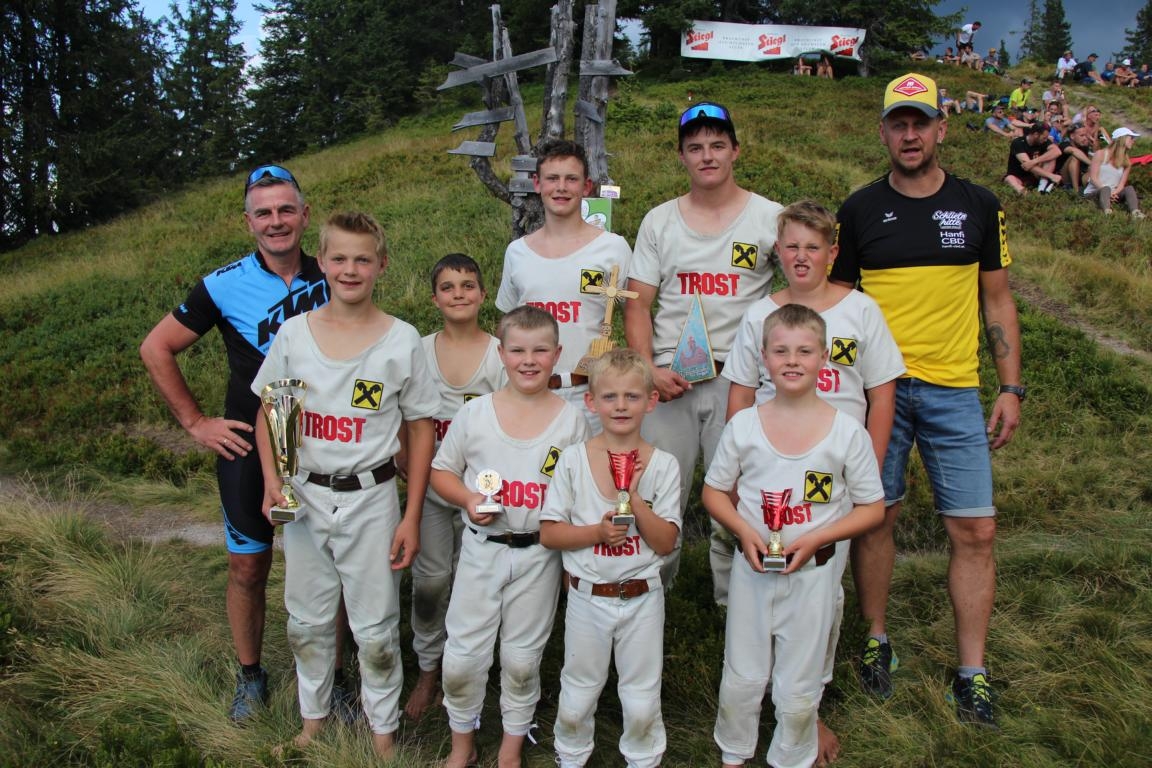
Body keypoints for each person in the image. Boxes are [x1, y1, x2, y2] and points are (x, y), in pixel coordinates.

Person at [831, 72, 1023, 728]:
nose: (909, 134)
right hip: (875, 394)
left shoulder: (978, 204)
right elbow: (836, 306)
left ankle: (974, 674)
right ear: (883, 131)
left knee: (976, 529)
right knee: (875, 518)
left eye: (920, 122)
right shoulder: (858, 211)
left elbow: (996, 298)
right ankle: (876, 640)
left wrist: (1012, 386)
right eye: (897, 123)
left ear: (941, 128)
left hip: (954, 390)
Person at [140, 165, 339, 722]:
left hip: (328, 439)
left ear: (304, 214)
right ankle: (251, 674)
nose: (276, 222)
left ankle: (335, 675)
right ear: (248, 222)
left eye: (285, 210)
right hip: (250, 442)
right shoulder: (222, 284)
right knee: (249, 568)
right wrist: (195, 423)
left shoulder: (335, 269)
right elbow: (156, 348)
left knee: (334, 563)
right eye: (264, 213)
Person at [723, 201, 905, 765]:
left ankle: (806, 708)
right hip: (766, 477)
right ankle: (756, 697)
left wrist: (867, 471)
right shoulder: (760, 316)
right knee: (761, 586)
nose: (801, 257)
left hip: (835, 475)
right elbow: (740, 395)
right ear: (778, 253)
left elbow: (881, 394)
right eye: (791, 246)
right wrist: (732, 481)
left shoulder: (861, 312)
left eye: (812, 246)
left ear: (832, 252)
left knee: (822, 593)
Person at [252, 211, 438, 757]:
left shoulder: (402, 340)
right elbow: (271, 412)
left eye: (363, 259)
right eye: (339, 258)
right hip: (306, 496)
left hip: (373, 499)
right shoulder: (294, 333)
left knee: (376, 628)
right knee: (307, 621)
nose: (350, 269)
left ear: (381, 264)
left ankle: (383, 733)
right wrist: (272, 482)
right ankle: (314, 720)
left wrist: (411, 513)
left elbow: (420, 429)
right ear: (322, 262)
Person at [704, 304, 885, 768]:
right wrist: (743, 530)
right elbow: (714, 491)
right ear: (763, 357)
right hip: (752, 571)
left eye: (804, 351)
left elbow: (872, 508)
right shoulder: (744, 425)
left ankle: (792, 756)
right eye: (780, 350)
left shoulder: (847, 433)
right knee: (742, 675)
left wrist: (818, 537)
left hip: (814, 574)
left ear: (824, 358)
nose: (792, 360)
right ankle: (734, 754)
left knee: (799, 683)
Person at [624, 101, 782, 603]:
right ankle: (650, 594)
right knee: (657, 492)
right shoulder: (659, 221)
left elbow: (803, 283)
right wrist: (648, 369)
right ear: (681, 156)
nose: (707, 155)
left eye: (717, 145)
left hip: (742, 383)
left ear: (736, 150)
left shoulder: (770, 218)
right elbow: (637, 304)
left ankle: (734, 601)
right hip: (671, 384)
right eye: (695, 147)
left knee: (735, 496)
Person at [431, 305, 591, 768]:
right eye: (517, 349)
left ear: (557, 354)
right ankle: (462, 746)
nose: (529, 360)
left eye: (541, 350)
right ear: (500, 353)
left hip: (538, 555)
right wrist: (466, 500)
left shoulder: (571, 422)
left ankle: (509, 751)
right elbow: (443, 472)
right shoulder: (477, 414)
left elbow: (578, 494)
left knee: (521, 661)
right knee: (463, 657)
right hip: (483, 551)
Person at [540, 348, 681, 768]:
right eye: (610, 397)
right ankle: (570, 756)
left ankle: (642, 757)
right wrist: (597, 533)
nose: (621, 406)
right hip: (587, 595)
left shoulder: (664, 465)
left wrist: (634, 499)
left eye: (632, 397)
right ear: (591, 401)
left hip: (641, 595)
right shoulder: (572, 461)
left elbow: (666, 542)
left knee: (640, 696)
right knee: (578, 691)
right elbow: (549, 533)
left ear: (651, 401)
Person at [403, 253, 507, 721]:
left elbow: (512, 419)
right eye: (449, 287)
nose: (460, 293)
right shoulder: (418, 350)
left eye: (468, 285)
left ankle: (467, 673)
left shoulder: (500, 353)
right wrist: (404, 461)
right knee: (432, 579)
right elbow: (402, 415)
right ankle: (428, 667)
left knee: (473, 583)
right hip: (429, 486)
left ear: (484, 294)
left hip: (480, 491)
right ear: (435, 298)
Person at [496, 139, 632, 434]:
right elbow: (506, 326)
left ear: (586, 187)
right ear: (537, 183)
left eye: (571, 179)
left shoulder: (613, 247)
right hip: (534, 391)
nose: (561, 187)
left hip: (593, 393)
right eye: (552, 179)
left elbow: (634, 316)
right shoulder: (517, 252)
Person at [1084, 127, 1146, 218]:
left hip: (1114, 194)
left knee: (1129, 188)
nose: (1133, 141)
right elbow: (1093, 178)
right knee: (1105, 189)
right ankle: (1107, 211)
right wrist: (1107, 192)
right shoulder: (1100, 154)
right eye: (1131, 138)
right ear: (1122, 139)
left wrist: (1114, 193)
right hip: (1096, 191)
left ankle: (1135, 212)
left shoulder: (1126, 162)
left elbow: (1121, 185)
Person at [1004, 121, 1063, 194]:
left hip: (1036, 176)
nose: (1045, 140)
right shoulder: (1018, 143)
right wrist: (1051, 176)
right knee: (1009, 178)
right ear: (1036, 134)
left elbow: (1057, 151)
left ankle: (1041, 188)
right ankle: (1026, 194)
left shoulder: (1044, 141)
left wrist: (1035, 161)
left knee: (1051, 157)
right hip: (1019, 176)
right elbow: (1028, 167)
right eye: (1044, 138)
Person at [1057, 122, 1095, 192]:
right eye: (1082, 135)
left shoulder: (1083, 146)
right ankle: (1076, 191)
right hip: (1064, 178)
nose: (1085, 138)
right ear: (1072, 136)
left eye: (1086, 135)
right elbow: (1073, 151)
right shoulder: (1064, 144)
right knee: (1075, 157)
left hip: (1080, 175)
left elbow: (1096, 153)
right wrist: (1092, 164)